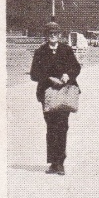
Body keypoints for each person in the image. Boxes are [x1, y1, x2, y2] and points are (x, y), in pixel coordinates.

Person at [29, 21, 81, 175]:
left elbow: (76, 67)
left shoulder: (66, 50)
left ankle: (61, 162)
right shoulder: (40, 52)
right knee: (51, 128)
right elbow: (34, 74)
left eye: (55, 33)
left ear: (60, 35)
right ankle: (53, 162)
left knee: (63, 126)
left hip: (65, 93)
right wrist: (49, 79)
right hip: (48, 94)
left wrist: (67, 75)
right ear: (46, 35)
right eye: (50, 33)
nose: (53, 36)